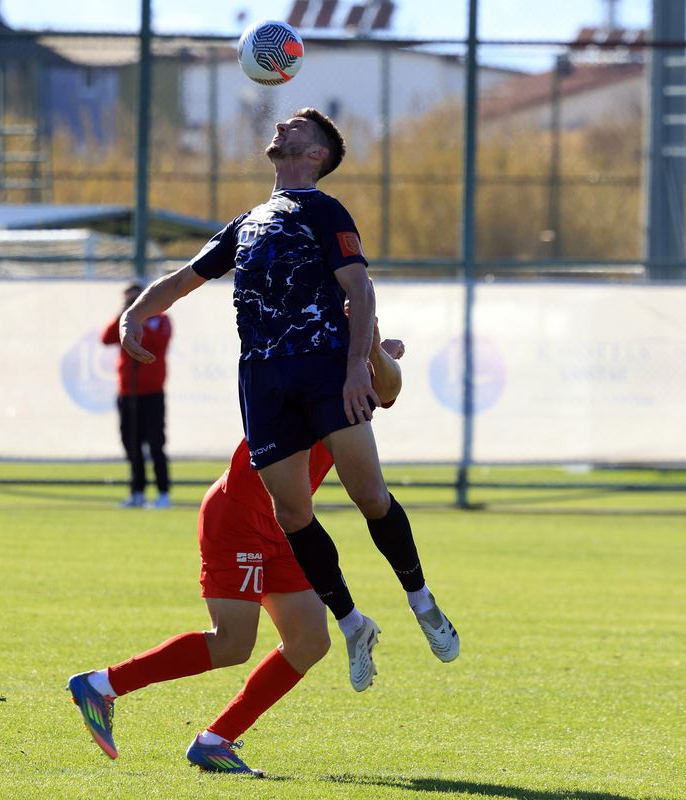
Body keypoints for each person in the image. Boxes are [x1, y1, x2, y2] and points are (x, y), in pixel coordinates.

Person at [117, 108, 458, 692]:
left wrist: (355, 370)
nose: (283, 127)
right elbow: (184, 279)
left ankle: (422, 601)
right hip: (263, 380)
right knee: (293, 515)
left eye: (299, 127)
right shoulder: (247, 222)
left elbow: (360, 288)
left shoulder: (325, 210)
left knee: (370, 496)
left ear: (317, 154)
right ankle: (351, 624)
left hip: (323, 369)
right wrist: (136, 313)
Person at [68, 328, 405, 776]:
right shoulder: (304, 371)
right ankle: (102, 685)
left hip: (287, 522)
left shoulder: (351, 379)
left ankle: (215, 740)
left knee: (310, 640)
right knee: (231, 642)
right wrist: (372, 352)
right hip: (240, 516)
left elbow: (387, 390)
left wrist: (377, 352)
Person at [101, 282, 172, 509]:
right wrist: (124, 314)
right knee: (131, 443)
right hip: (128, 392)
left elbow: (156, 343)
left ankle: (163, 493)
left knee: (156, 444)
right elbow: (107, 337)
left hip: (152, 393)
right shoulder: (124, 320)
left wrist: (138, 318)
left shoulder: (161, 319)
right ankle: (137, 491)